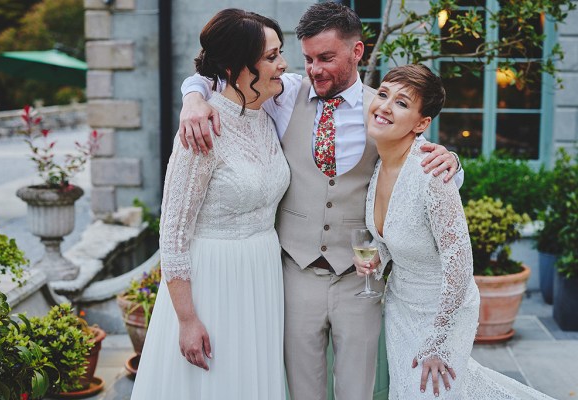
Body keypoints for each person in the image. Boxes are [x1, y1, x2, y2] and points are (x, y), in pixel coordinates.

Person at [179, 4, 462, 399]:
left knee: (357, 388)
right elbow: (220, 76)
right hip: (294, 270)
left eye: (326, 58)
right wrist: (192, 98)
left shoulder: (381, 110)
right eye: (309, 58)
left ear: (357, 52)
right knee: (301, 389)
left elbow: (420, 162)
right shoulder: (283, 94)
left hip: (359, 276)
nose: (314, 69)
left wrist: (453, 161)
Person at [355, 63, 555, 399]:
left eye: (402, 103)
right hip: (402, 308)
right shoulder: (379, 167)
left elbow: (460, 265)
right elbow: (395, 237)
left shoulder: (432, 172)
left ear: (422, 124)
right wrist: (375, 258)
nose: (385, 106)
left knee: (433, 390)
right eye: (384, 94)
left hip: (443, 313)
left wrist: (439, 341)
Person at [130, 9, 290, 400]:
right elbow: (172, 234)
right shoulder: (201, 133)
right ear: (237, 67)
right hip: (214, 278)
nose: (283, 65)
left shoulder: (267, 112)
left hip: (264, 274)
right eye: (271, 57)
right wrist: (186, 319)